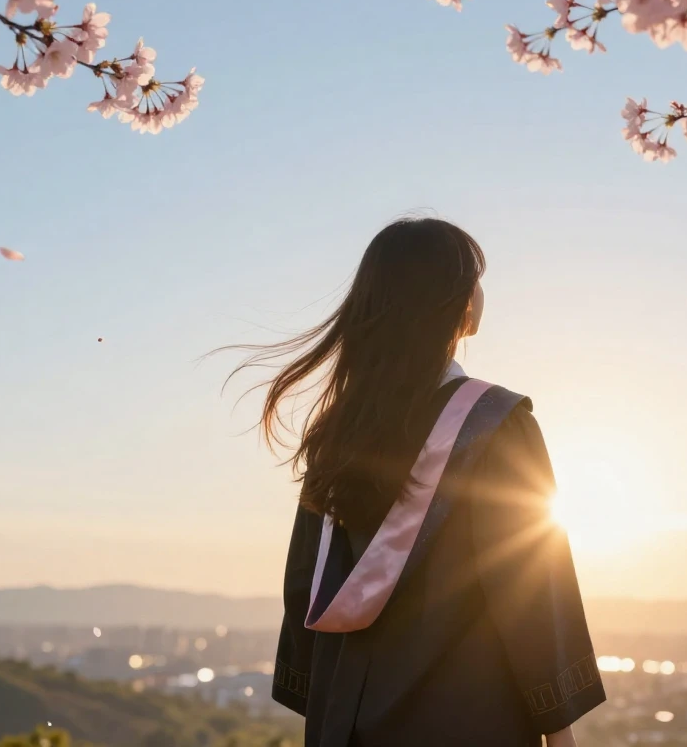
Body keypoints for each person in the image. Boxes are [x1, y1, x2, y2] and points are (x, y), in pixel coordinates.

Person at [227, 217, 604, 747]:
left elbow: (305, 580)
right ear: (454, 301)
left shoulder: (338, 432)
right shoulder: (496, 423)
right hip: (468, 713)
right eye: (475, 278)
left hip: (343, 718)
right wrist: (558, 728)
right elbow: (530, 587)